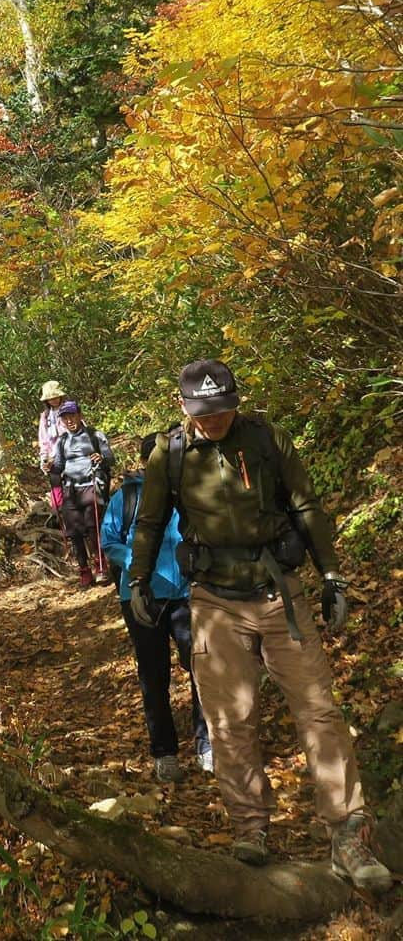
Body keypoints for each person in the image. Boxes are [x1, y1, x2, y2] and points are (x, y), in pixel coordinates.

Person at [127, 359, 391, 892]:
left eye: (223, 409)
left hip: (279, 592)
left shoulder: (267, 438)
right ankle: (251, 828)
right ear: (183, 406)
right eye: (204, 412)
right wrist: (137, 580)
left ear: (236, 401)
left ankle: (347, 834)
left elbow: (306, 505)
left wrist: (331, 573)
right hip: (214, 601)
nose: (214, 420)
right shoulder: (169, 454)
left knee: (319, 711)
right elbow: (151, 521)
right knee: (229, 721)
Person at [102, 434, 212, 782]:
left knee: (200, 667)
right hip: (139, 594)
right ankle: (164, 752)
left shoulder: (188, 496)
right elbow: (109, 542)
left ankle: (206, 744)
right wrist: (138, 560)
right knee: (154, 674)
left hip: (186, 593)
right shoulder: (127, 497)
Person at [49, 400, 114, 588]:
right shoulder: (62, 442)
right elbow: (58, 467)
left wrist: (101, 458)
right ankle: (84, 570)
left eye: (72, 416)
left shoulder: (95, 436)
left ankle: (101, 566)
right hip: (71, 489)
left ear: (80, 415)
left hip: (92, 485)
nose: (69, 420)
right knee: (75, 532)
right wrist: (50, 469)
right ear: (61, 421)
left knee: (93, 527)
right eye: (65, 418)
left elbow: (110, 459)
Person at [38, 380, 67, 514]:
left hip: (70, 451)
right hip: (52, 456)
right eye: (50, 398)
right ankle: (57, 513)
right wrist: (44, 457)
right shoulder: (45, 416)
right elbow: (43, 438)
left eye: (55, 397)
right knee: (55, 482)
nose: (53, 400)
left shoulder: (69, 410)